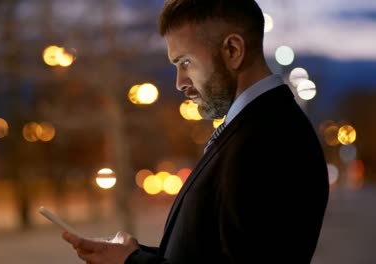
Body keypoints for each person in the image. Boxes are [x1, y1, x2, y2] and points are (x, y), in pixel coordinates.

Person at [62, 0, 330, 263]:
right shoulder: (254, 127)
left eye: (186, 62)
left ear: (233, 50)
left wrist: (131, 263)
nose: (179, 82)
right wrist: (132, 255)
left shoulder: (270, 139)